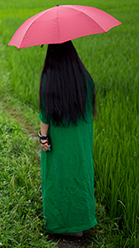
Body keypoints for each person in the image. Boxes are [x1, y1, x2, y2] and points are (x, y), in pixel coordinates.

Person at [38, 40, 97, 237]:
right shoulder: (84, 78)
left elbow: (45, 114)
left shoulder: (49, 79)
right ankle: (82, 221)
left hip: (59, 141)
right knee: (80, 174)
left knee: (57, 176)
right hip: (80, 141)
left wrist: (43, 137)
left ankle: (61, 225)